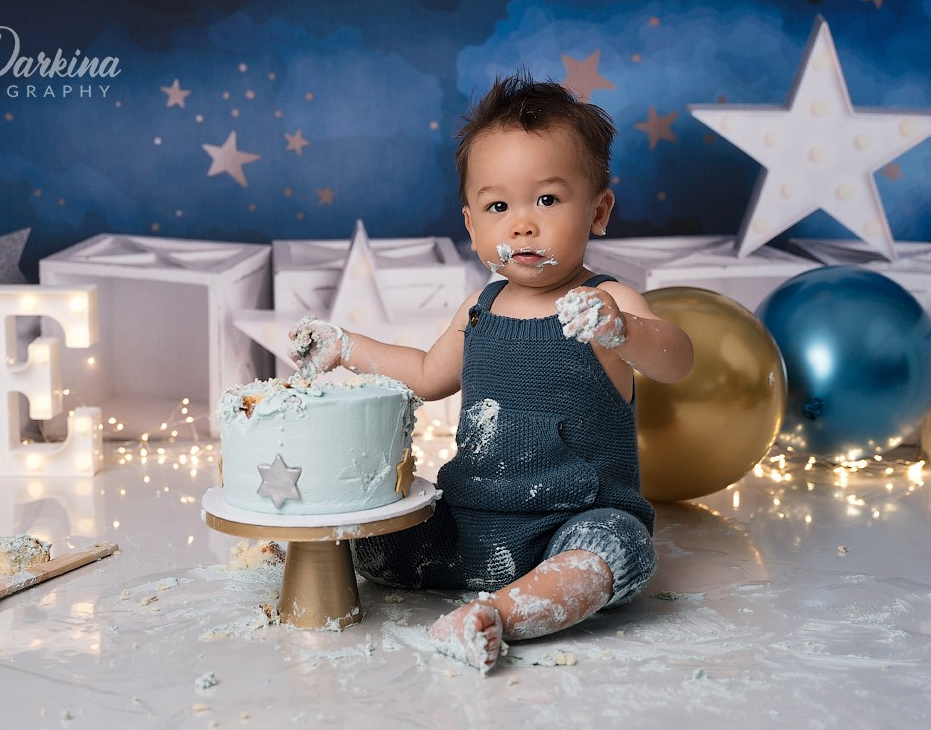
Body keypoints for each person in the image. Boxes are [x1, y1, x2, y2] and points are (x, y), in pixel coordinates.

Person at [289, 74, 694, 672]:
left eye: (547, 200)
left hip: (572, 522)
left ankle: (498, 614)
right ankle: (303, 550)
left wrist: (622, 330)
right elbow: (426, 374)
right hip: (468, 523)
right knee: (378, 526)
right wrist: (347, 347)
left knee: (616, 548)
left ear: (598, 211)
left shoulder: (607, 302)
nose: (522, 224)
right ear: (472, 225)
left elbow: (678, 361)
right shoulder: (478, 309)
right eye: (498, 206)